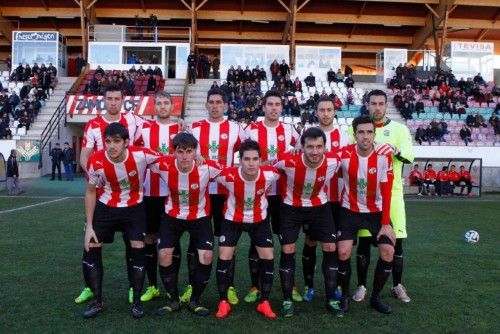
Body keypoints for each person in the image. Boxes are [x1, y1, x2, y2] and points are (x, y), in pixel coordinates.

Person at [82, 122, 162, 318]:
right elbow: (91, 191)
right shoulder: (96, 161)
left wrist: (198, 154)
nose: (111, 146)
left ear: (126, 142)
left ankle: (136, 302)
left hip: (134, 208)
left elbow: (170, 161)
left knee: (137, 247)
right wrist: (89, 225)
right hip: (106, 206)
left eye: (117, 141)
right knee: (92, 246)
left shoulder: (142, 155)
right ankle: (97, 300)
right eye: (108, 141)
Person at [75, 83, 145, 305]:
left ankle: (134, 289)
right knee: (91, 240)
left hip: (130, 193)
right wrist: (97, 175)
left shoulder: (133, 120)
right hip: (103, 192)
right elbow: (84, 155)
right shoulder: (94, 125)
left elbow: (151, 136)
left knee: (133, 244)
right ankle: (90, 288)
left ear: (122, 100)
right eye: (109, 99)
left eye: (117, 98)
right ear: (104, 100)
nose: (113, 102)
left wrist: (179, 124)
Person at [350, 90, 414, 305]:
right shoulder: (359, 128)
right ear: (366, 105)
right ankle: (362, 286)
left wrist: (395, 149)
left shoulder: (399, 129)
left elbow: (409, 155)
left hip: (392, 196)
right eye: (373, 103)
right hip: (363, 197)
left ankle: (397, 285)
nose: (377, 107)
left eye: (381, 104)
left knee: (397, 244)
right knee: (365, 243)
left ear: (386, 106)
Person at [274, 127, 343, 318]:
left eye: (319, 146)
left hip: (319, 206)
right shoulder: (288, 161)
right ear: (302, 147)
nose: (314, 151)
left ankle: (331, 299)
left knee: (330, 247)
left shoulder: (333, 161)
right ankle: (287, 299)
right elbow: (270, 167)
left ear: (325, 147)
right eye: (310, 147)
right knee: (288, 249)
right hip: (291, 207)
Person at [155, 133, 222, 317]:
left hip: (199, 217)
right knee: (164, 254)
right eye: (180, 151)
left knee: (206, 256)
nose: (184, 156)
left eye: (189, 151)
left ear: (195, 152)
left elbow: (232, 173)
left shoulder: (208, 168)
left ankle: (195, 301)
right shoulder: (163, 166)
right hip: (172, 216)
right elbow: (143, 158)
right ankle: (173, 299)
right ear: (174, 152)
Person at [189, 88, 245, 305]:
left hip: (226, 194)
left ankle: (228, 286)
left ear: (226, 105)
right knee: (195, 243)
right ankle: (192, 286)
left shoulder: (235, 128)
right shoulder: (195, 128)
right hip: (200, 193)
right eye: (211, 102)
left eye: (219, 102)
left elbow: (248, 151)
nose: (214, 106)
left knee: (227, 243)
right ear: (206, 105)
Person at [243, 91, 301, 303]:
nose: (274, 108)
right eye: (270, 104)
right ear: (263, 106)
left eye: (278, 104)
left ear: (282, 107)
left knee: (287, 242)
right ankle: (254, 286)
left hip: (285, 195)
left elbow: (301, 151)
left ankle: (290, 284)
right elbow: (239, 155)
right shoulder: (251, 129)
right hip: (259, 195)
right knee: (256, 243)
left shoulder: (290, 130)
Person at [214, 140, 279, 319]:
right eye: (247, 159)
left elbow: (282, 168)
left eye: (255, 159)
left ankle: (264, 302)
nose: (251, 163)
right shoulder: (227, 176)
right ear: (240, 160)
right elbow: (208, 170)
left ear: (260, 160)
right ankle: (223, 302)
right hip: (232, 219)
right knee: (224, 256)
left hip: (259, 219)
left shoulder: (270, 174)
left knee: (267, 256)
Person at [337, 115, 395, 314]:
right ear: (355, 135)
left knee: (388, 251)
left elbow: (387, 189)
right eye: (361, 132)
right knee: (343, 251)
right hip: (349, 209)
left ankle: (375, 298)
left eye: (369, 132)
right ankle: (344, 296)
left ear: (374, 134)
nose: (365, 136)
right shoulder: (343, 155)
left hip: (376, 211)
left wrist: (386, 223)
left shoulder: (383, 155)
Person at [299, 96, 352, 302]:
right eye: (322, 110)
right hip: (314, 200)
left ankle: (336, 285)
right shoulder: (307, 135)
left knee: (336, 246)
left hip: (338, 199)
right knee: (311, 241)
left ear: (334, 111)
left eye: (329, 109)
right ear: (316, 112)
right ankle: (309, 286)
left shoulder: (344, 136)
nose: (326, 113)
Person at [132, 91, 183, 302]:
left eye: (166, 103)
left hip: (173, 193)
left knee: (174, 241)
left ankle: (174, 286)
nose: (162, 106)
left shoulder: (181, 128)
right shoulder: (143, 128)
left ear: (173, 106)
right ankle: (153, 286)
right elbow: (132, 151)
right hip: (150, 193)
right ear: (154, 107)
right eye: (159, 103)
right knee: (150, 238)